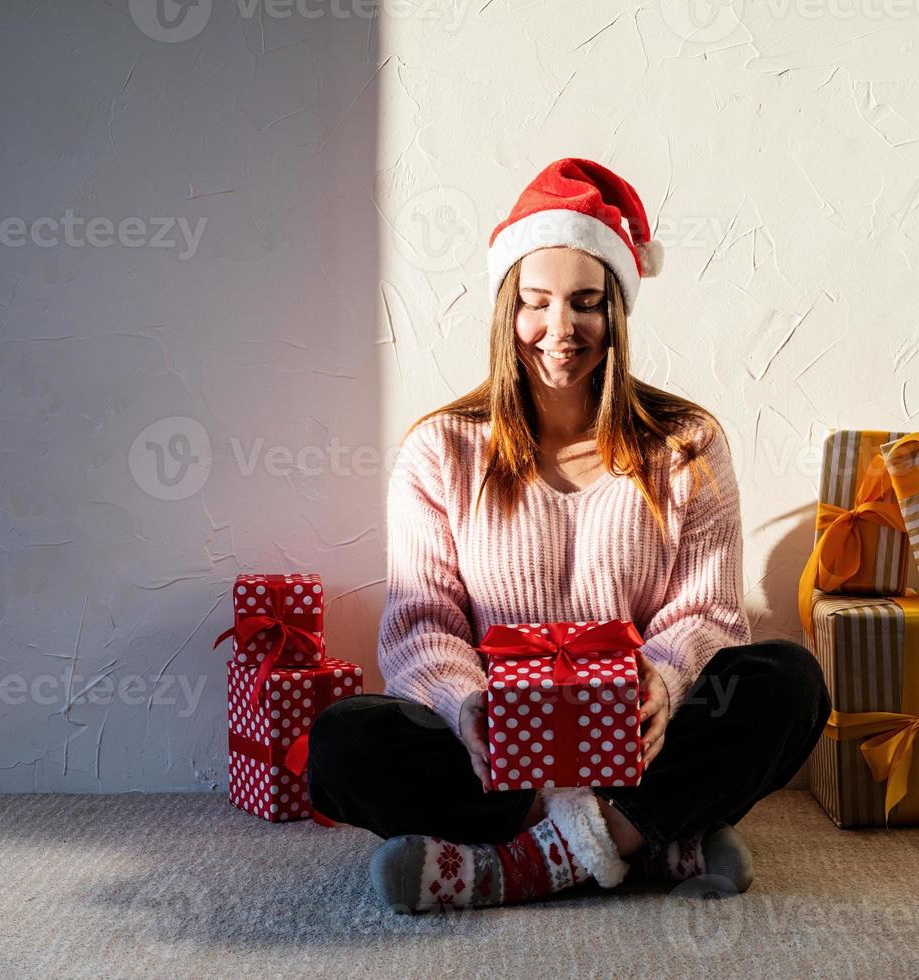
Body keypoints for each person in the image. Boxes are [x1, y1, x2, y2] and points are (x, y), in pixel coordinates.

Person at [306, 158, 830, 914]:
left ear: (615, 312)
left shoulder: (685, 442)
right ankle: (645, 842)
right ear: (505, 312)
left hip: (638, 751)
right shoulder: (441, 449)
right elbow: (422, 626)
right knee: (344, 740)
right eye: (536, 303)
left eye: (586, 303)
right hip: (493, 759)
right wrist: (466, 708)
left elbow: (707, 614)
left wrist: (660, 683)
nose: (560, 331)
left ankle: (516, 866)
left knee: (786, 680)